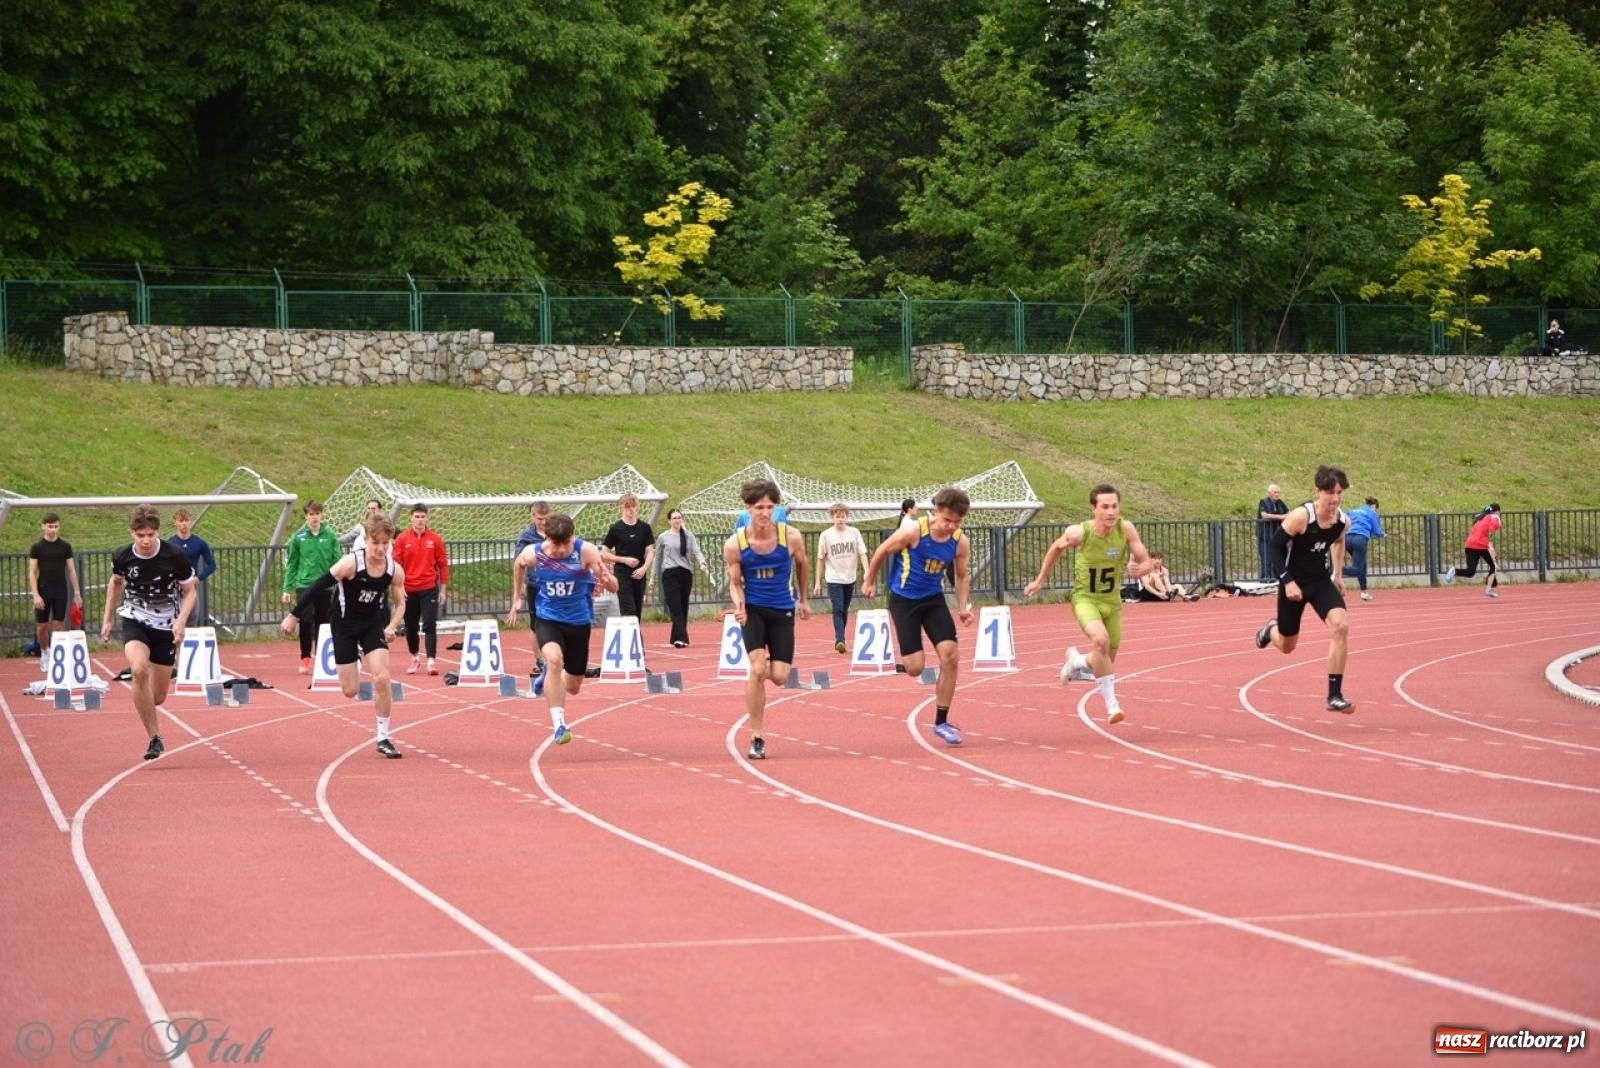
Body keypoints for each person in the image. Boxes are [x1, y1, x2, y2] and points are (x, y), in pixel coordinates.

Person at [1023, 484, 1153, 725]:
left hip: (1112, 602)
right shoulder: (1079, 533)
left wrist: (1139, 569)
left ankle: (1076, 661)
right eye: (1105, 507)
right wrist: (1040, 579)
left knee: (1104, 660)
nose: (1111, 512)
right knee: (1100, 641)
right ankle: (1112, 706)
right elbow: (1055, 548)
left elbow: (1146, 562)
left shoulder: (1126, 529)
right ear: (1094, 509)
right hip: (1085, 599)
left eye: (1114, 506)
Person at [282, 514, 408, 758]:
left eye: (386, 543)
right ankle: (357, 655)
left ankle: (383, 737)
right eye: (376, 543)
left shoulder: (394, 569)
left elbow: (401, 603)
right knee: (350, 690)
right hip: (344, 626)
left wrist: (392, 625)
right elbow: (318, 585)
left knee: (382, 678)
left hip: (372, 624)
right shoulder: (351, 564)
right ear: (365, 540)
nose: (381, 548)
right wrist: (294, 616)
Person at [862, 487, 973, 745]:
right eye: (947, 520)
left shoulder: (960, 541)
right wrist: (869, 581)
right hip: (904, 600)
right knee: (915, 668)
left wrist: (963, 606)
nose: (951, 526)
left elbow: (961, 575)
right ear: (936, 512)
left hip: (933, 600)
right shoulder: (913, 531)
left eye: (957, 522)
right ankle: (905, 654)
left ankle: (941, 722)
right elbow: (881, 551)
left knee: (951, 656)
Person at [508, 513, 618, 746]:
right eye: (556, 544)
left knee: (574, 686)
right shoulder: (535, 552)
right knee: (555, 660)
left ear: (573, 537)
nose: (560, 550)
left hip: (578, 622)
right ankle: (559, 724)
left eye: (565, 543)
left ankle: (549, 675)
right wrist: (517, 598)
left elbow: (614, 586)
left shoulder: (585, 551)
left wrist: (607, 579)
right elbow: (518, 564)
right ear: (548, 539)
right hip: (548, 619)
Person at [1253, 466, 1356, 713]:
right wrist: (1287, 581)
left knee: (1341, 625)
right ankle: (1270, 630)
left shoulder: (1342, 521)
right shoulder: (1302, 516)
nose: (1335, 498)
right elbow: (1274, 548)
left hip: (1320, 581)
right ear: (1317, 492)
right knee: (1288, 645)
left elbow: (1339, 542)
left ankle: (1334, 695)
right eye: (1330, 492)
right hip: (1294, 581)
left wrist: (1338, 574)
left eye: (1339, 492)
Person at [100, 505, 197, 761]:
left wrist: (181, 622)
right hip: (135, 619)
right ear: (132, 533)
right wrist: (107, 618)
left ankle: (146, 697)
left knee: (157, 698)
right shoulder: (122, 555)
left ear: (157, 533)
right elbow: (116, 583)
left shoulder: (173, 555)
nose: (145, 540)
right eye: (140, 535)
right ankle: (155, 737)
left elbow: (190, 591)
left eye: (150, 535)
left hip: (166, 625)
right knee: (138, 668)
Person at [723, 479, 811, 759]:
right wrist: (739, 605)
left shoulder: (791, 537)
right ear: (748, 508)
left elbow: (803, 564)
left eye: (769, 507)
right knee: (758, 670)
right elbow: (734, 582)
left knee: (780, 677)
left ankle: (762, 666)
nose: (764, 512)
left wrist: (804, 598)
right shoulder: (735, 544)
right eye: (759, 507)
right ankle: (757, 736)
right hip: (754, 610)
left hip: (782, 609)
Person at [282, 500, 343, 673]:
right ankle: (305, 657)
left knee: (323, 623)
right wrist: (287, 588)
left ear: (321, 515)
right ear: (306, 516)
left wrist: (341, 579)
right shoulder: (298, 537)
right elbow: (292, 564)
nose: (314, 517)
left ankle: (322, 657)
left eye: (317, 514)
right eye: (311, 514)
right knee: (306, 620)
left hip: (325, 585)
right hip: (305, 584)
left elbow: (337, 560)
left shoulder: (330, 536)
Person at [392, 503, 449, 674]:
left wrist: (443, 589)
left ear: (427, 518)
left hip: (429, 588)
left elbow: (443, 565)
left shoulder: (435, 539)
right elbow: (396, 565)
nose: (419, 520)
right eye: (416, 516)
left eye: (422, 516)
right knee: (410, 626)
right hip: (408, 589)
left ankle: (431, 660)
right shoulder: (402, 539)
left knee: (430, 625)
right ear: (411, 518)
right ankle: (415, 657)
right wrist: (399, 587)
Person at [28, 512, 84, 669]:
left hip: (60, 590)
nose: (53, 529)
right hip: (43, 590)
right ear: (43, 527)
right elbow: (32, 573)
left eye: (56, 526)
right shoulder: (37, 547)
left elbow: (71, 570)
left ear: (59, 527)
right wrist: (36, 595)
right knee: (42, 627)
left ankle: (57, 655)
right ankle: (45, 652)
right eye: (50, 526)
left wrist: (77, 593)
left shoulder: (65, 546)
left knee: (58, 625)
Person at [813, 504, 871, 653]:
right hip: (833, 578)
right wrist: (817, 582)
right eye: (837, 517)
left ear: (847, 517)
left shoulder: (854, 532)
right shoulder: (826, 535)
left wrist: (867, 571)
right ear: (832, 517)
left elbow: (862, 553)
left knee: (844, 609)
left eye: (842, 516)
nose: (840, 519)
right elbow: (820, 558)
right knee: (837, 608)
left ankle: (841, 636)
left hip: (849, 577)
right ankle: (840, 639)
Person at [653, 508, 709, 647]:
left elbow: (697, 551)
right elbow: (657, 558)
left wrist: (702, 563)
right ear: (669, 521)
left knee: (683, 606)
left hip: (685, 574)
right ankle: (682, 638)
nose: (677, 520)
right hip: (669, 574)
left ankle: (676, 638)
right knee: (675, 607)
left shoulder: (689, 536)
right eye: (674, 518)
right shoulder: (663, 537)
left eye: (679, 517)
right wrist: (653, 578)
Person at [513, 501, 552, 675]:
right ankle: (539, 660)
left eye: (546, 519)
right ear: (533, 516)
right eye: (540, 519)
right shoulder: (526, 536)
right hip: (535, 584)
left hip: (555, 583)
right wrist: (519, 586)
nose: (543, 522)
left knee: (555, 621)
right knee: (535, 623)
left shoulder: (556, 531)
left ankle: (555, 657)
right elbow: (518, 562)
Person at [602, 493, 655, 619]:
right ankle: (636, 638)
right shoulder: (616, 528)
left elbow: (650, 551)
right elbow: (605, 553)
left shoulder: (644, 528)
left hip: (639, 573)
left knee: (637, 610)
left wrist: (644, 568)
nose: (631, 509)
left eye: (633, 506)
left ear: (637, 507)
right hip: (622, 574)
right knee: (628, 610)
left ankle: (635, 638)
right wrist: (624, 560)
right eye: (627, 507)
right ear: (622, 508)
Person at [168, 508, 217, 625]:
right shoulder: (170, 543)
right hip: (174, 586)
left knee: (192, 616)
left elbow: (212, 564)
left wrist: (198, 578)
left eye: (186, 520)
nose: (184, 524)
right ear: (175, 522)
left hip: (190, 586)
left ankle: (190, 640)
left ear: (190, 521)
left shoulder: (199, 542)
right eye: (181, 521)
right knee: (174, 618)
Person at [1445, 503, 1502, 597]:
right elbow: (1492, 528)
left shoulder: (1480, 518)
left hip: (1469, 544)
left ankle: (1454, 571)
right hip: (1480, 545)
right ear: (1497, 511)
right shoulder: (1494, 517)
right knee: (1493, 567)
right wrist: (1491, 544)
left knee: (1470, 571)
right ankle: (1488, 590)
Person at [1341, 496, 1385, 601]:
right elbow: (1377, 531)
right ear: (1374, 506)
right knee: (1358, 569)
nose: (1376, 510)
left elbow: (1343, 520)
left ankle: (1364, 592)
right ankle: (1335, 571)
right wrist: (1383, 534)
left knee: (1362, 564)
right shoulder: (1372, 512)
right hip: (1360, 539)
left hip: (1347, 539)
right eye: (1376, 508)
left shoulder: (1353, 511)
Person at [1256, 483, 1289, 580]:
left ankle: (1275, 579)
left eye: (1278, 492)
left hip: (1276, 535)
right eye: (1275, 492)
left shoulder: (1280, 503)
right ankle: (1266, 579)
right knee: (1266, 558)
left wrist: (1284, 516)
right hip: (1265, 536)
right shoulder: (1263, 502)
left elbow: (1288, 513)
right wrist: (1280, 517)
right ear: (1269, 493)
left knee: (1276, 558)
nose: (1277, 494)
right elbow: (1264, 515)